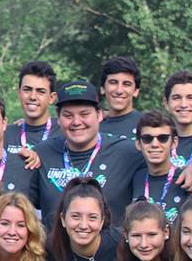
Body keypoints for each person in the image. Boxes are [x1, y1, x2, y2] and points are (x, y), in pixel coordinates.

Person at [31, 81, 141, 220]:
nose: (76, 122)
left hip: (110, 241)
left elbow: (160, 168)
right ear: (58, 118)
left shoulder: (128, 152)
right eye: (68, 115)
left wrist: (178, 172)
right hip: (56, 241)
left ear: (99, 115)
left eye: (84, 114)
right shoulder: (42, 152)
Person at [128, 108, 185, 220]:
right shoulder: (135, 178)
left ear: (174, 142)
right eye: (147, 138)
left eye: (162, 138)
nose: (155, 144)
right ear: (138, 144)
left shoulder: (186, 179)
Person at [11, 62, 57, 151]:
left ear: (52, 98)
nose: (32, 97)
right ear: (19, 93)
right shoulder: (5, 134)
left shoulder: (65, 134)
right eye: (27, 90)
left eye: (40, 91)